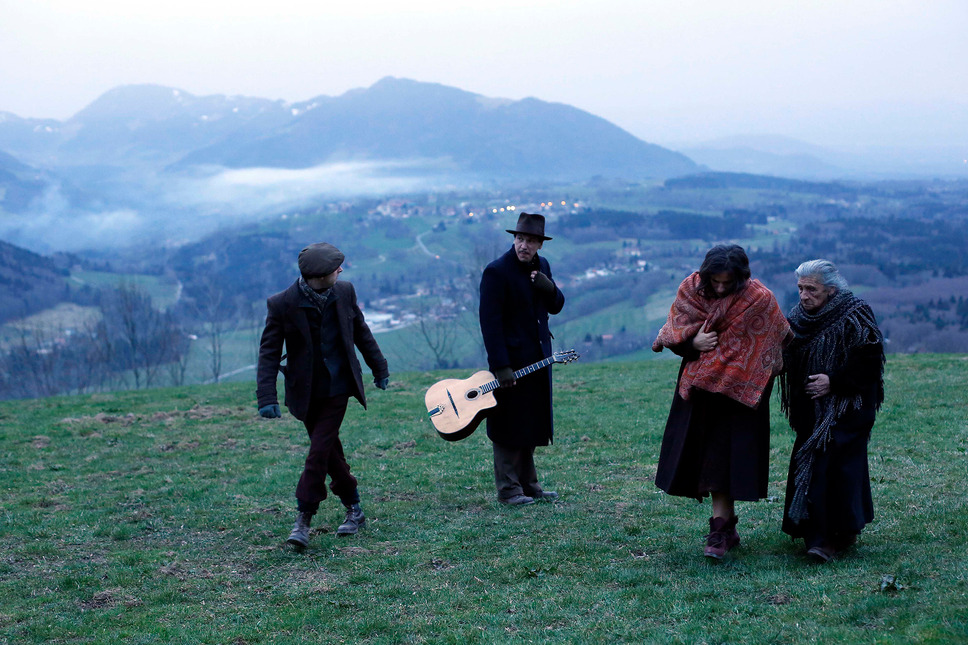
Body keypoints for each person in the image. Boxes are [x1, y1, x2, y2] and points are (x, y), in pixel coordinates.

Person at [652, 244, 791, 559]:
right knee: (708, 461)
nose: (720, 287)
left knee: (725, 463)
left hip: (740, 399)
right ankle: (723, 530)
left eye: (727, 283)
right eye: (715, 281)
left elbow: (772, 344)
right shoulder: (691, 290)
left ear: (741, 278)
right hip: (699, 393)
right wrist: (693, 343)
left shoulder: (759, 300)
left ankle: (720, 532)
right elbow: (675, 331)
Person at [256, 242, 389, 548]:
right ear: (317, 276)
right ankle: (354, 508)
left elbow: (361, 332)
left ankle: (303, 518)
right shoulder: (282, 304)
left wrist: (379, 368)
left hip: (339, 387)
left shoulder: (345, 292)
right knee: (328, 451)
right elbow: (269, 353)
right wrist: (267, 397)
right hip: (305, 392)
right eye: (334, 268)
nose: (341, 270)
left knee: (318, 453)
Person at [780, 259, 885, 563]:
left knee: (838, 469)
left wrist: (834, 382)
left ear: (830, 289)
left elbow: (869, 362)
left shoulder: (855, 313)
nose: (803, 295)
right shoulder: (798, 318)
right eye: (800, 288)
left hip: (847, 410)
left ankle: (835, 537)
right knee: (809, 465)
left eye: (811, 289)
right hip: (811, 413)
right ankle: (813, 534)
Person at [479, 212, 565, 506]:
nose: (523, 245)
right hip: (509, 364)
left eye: (530, 240)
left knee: (529, 423)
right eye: (519, 238)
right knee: (505, 426)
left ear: (540, 244)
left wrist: (547, 286)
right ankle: (508, 490)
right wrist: (500, 366)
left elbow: (557, 306)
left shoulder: (542, 267)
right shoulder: (496, 272)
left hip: (537, 361)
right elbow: (490, 323)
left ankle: (530, 486)